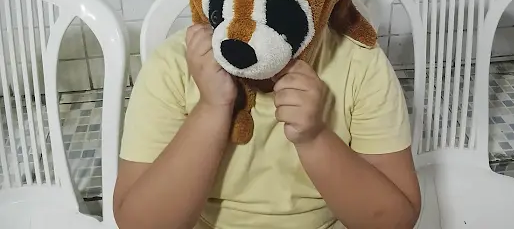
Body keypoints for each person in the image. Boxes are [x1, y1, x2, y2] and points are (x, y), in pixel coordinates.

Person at [113, 22, 420, 229]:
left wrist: (314, 137)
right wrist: (211, 108)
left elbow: (394, 220)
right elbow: (139, 222)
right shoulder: (175, 63)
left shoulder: (359, 61)